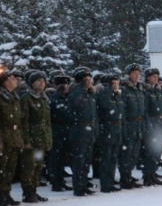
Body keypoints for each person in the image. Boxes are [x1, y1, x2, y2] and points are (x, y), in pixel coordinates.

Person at [0, 70, 24, 206]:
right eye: (12, 78)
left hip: (14, 136)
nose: (15, 80)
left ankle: (6, 193)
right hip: (3, 136)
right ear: (5, 82)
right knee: (0, 167)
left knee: (10, 167)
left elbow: (18, 120)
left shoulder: (14, 97)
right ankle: (0, 195)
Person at [19, 71, 52, 202]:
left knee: (38, 166)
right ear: (32, 83)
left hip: (41, 136)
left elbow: (47, 121)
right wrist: (26, 139)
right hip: (32, 135)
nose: (41, 83)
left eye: (43, 81)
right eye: (38, 81)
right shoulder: (26, 98)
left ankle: (33, 190)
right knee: (29, 165)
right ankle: (27, 192)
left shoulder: (43, 98)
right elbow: (23, 120)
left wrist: (48, 139)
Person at [68, 67, 98, 197]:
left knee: (86, 161)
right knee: (79, 161)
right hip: (79, 131)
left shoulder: (90, 94)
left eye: (90, 79)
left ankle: (84, 184)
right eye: (86, 79)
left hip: (90, 131)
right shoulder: (76, 93)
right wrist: (81, 89)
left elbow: (94, 115)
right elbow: (74, 105)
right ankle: (78, 186)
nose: (89, 81)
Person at [118, 64, 145, 189]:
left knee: (134, 154)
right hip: (129, 125)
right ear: (129, 75)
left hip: (138, 125)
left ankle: (129, 175)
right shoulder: (124, 89)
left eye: (138, 74)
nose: (137, 76)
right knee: (126, 153)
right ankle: (124, 177)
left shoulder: (139, 90)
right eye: (134, 73)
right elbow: (122, 110)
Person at [96, 73, 124, 192]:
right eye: (113, 84)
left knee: (113, 159)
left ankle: (110, 181)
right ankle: (105, 183)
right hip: (107, 129)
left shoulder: (117, 96)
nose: (116, 86)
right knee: (106, 159)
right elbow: (105, 106)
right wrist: (108, 90)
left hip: (116, 130)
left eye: (117, 84)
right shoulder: (104, 95)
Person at [47, 72, 73, 192]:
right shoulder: (53, 99)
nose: (65, 87)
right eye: (62, 84)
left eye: (66, 84)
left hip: (67, 131)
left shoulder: (69, 98)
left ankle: (61, 181)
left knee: (63, 159)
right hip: (56, 131)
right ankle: (56, 183)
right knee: (56, 159)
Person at [142, 68, 162, 186]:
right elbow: (145, 111)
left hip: (159, 123)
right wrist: (149, 125)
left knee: (158, 150)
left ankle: (152, 172)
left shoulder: (157, 91)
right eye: (153, 76)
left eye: (157, 76)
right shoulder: (146, 91)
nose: (156, 78)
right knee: (150, 151)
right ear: (147, 78)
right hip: (152, 124)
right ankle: (148, 175)